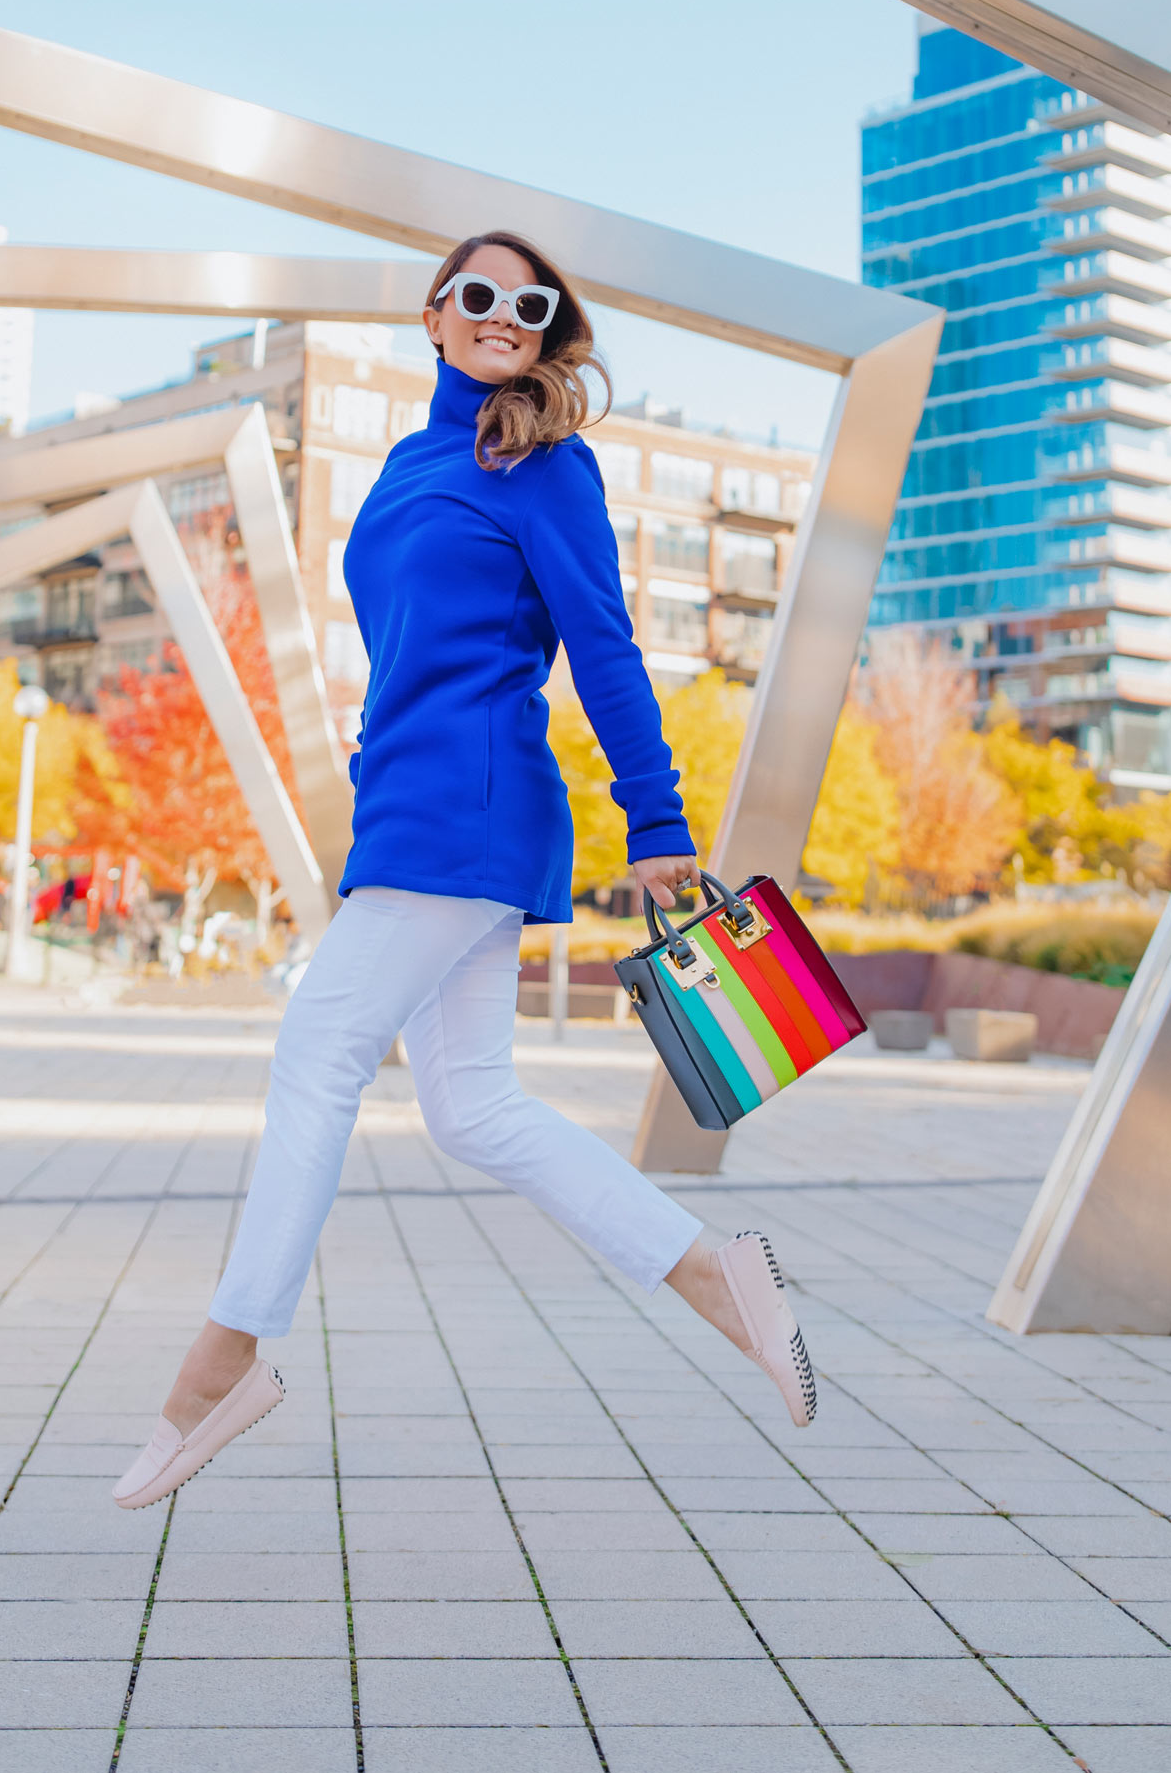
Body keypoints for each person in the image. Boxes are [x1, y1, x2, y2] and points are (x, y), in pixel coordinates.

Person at [113, 232, 817, 1509]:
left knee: (318, 1049)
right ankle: (716, 1275)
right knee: (472, 1107)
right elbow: (404, 656)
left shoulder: (544, 464)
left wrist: (655, 825)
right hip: (408, 806)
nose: (503, 314)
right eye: (478, 296)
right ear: (434, 317)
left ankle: (226, 1354)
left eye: (529, 303)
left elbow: (602, 647)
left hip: (475, 806)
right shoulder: (410, 462)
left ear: (547, 331)